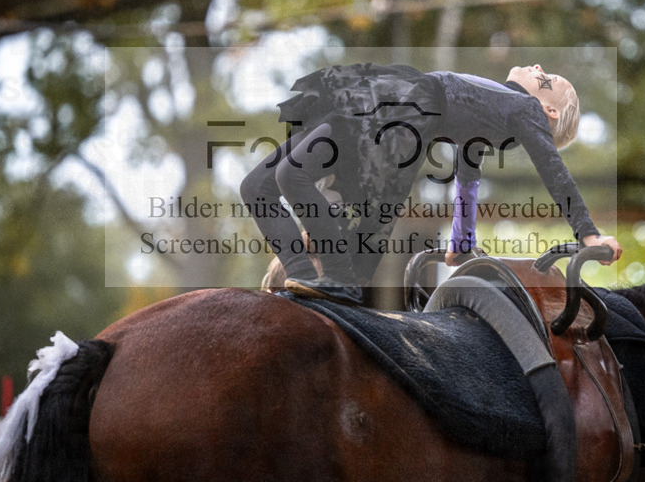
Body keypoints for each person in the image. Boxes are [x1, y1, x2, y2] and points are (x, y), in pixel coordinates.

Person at [239, 62, 621, 305]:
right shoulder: (491, 114)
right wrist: (461, 243)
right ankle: (300, 272)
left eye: (549, 79)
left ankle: (339, 277)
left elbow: (554, 171)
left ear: (547, 111)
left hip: (393, 118)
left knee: (292, 174)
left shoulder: (525, 112)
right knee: (256, 186)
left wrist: (589, 236)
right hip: (382, 102)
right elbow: (467, 180)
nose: (539, 66)